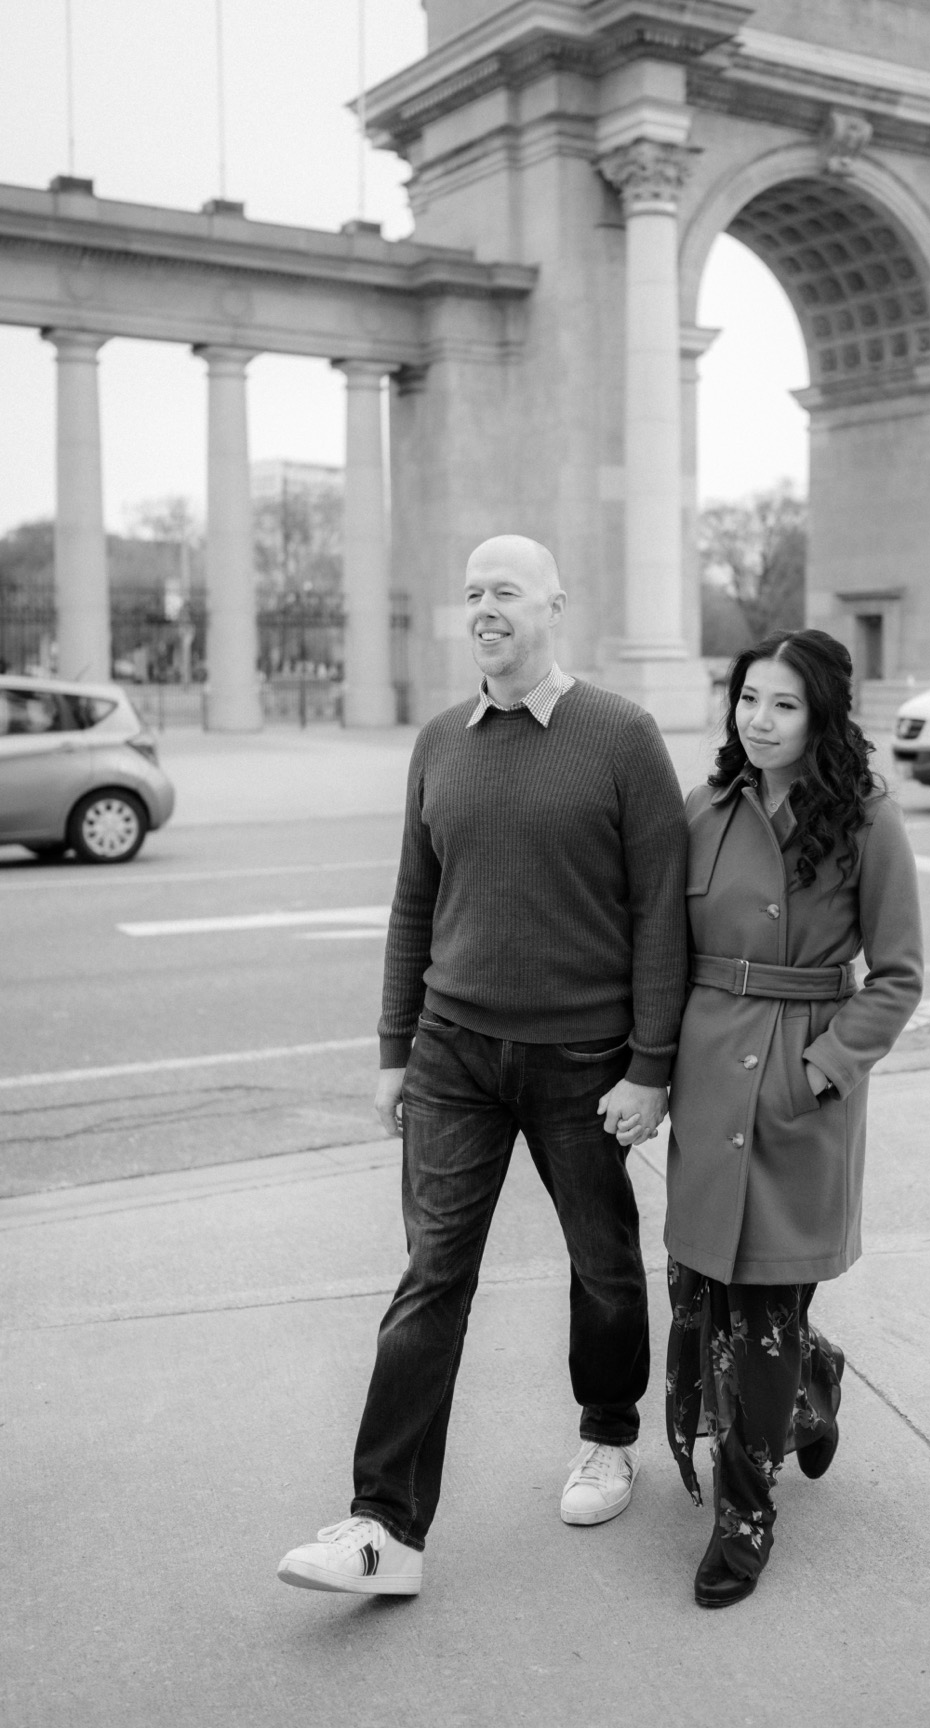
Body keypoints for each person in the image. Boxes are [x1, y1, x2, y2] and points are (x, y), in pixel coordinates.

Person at [278, 535, 688, 1597]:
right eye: (472, 594)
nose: (485, 609)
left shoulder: (621, 737)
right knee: (431, 1280)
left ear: (555, 604)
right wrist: (391, 1049)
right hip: (453, 1054)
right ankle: (384, 1529)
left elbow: (658, 917)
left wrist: (650, 1066)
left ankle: (606, 1432)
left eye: (504, 590)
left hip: (585, 1061)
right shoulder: (440, 742)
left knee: (602, 1264)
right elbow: (414, 899)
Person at [664, 628, 923, 1607]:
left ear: (818, 716)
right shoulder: (704, 810)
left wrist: (818, 1071)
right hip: (707, 1077)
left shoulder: (864, 819)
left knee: (765, 1306)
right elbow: (660, 949)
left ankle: (744, 1518)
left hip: (799, 1087)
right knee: (718, 1298)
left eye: (780, 704)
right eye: (745, 700)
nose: (757, 721)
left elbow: (897, 977)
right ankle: (812, 1384)